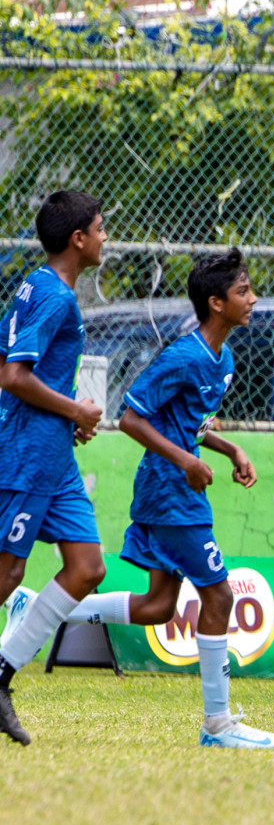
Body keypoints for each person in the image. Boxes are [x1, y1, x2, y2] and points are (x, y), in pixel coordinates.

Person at [14, 248, 274, 748]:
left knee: (159, 605)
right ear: (216, 303)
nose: (253, 298)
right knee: (219, 596)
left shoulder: (222, 359)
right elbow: (134, 418)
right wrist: (185, 462)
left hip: (176, 488)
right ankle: (218, 725)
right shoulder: (182, 355)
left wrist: (228, 448)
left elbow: (188, 424)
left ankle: (40, 609)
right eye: (243, 291)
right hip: (169, 492)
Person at [0, 191, 109, 745]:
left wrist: (68, 421)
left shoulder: (41, 286)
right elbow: (12, 375)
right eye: (100, 227)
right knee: (7, 575)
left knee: (88, 566)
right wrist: (76, 408)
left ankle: (0, 673)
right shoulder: (53, 296)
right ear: (78, 240)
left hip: (54, 455)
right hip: (24, 455)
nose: (105, 236)